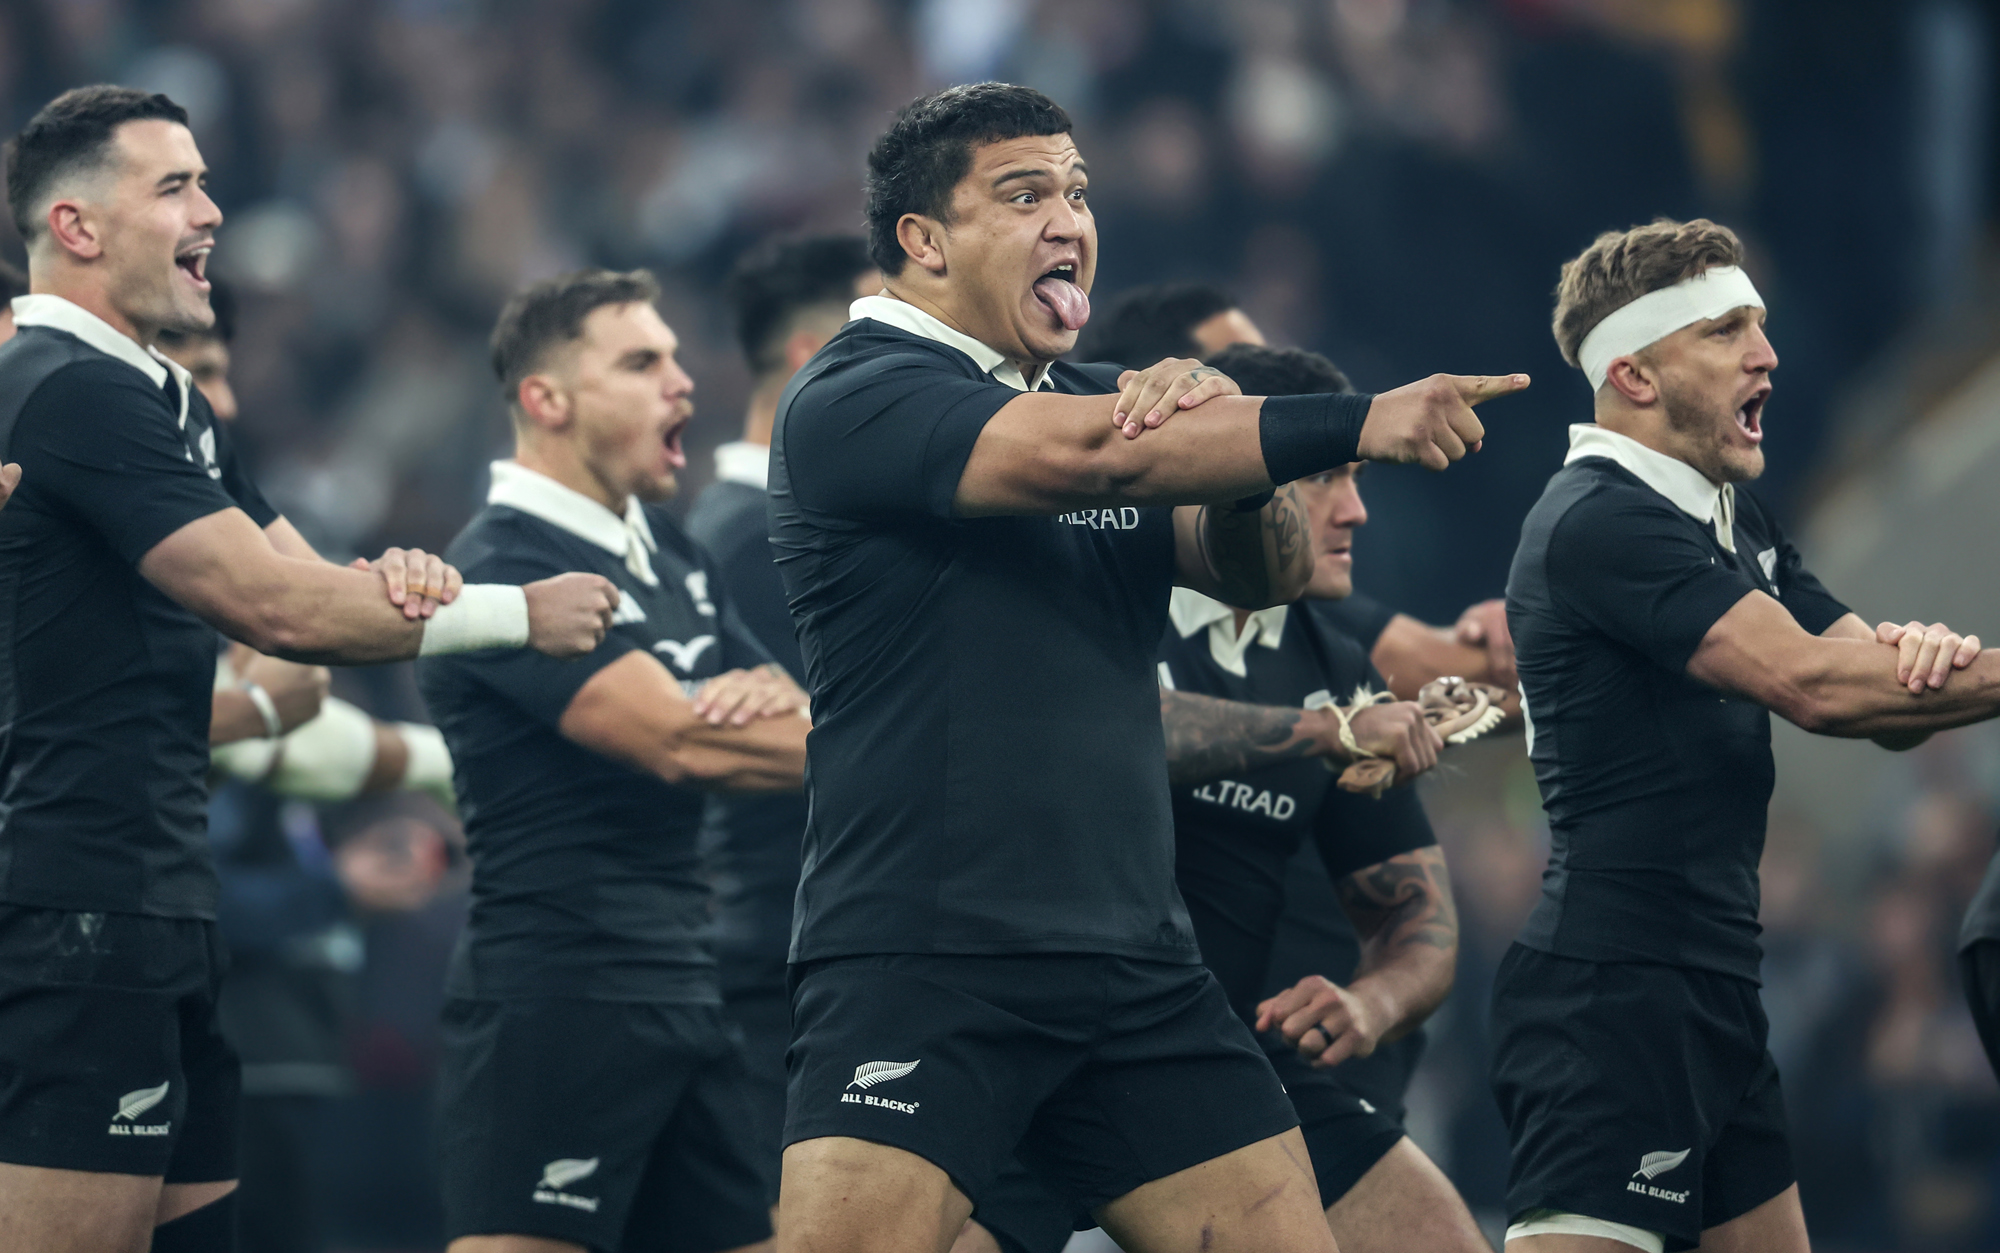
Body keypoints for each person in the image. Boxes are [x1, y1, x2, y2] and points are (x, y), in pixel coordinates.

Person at [770, 82, 1526, 1253]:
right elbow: (1090, 465)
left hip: (1135, 965)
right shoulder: (856, 395)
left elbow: (1256, 568)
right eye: (1022, 195)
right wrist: (1352, 420)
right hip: (929, 954)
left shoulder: (1092, 397)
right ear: (922, 241)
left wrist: (1224, 449)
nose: (1067, 218)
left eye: (1075, 191)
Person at [0, 85, 617, 1253]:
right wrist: (511, 613)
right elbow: (278, 606)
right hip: (76, 908)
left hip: (158, 909)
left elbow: (316, 579)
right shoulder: (69, 389)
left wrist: (407, 578)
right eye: (174, 185)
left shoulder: (165, 396)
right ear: (77, 227)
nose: (212, 210)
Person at [1495, 216, 2000, 1253]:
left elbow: (1873, 691)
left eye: (1758, 326)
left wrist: (1928, 659)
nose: (1765, 354)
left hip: (1713, 987)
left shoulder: (1731, 517)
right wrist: (1892, 672)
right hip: (1611, 1000)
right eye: (1725, 331)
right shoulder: (1598, 517)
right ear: (1633, 374)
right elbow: (1815, 685)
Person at [969, 344, 1487, 1253]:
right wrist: (1323, 732)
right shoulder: (1121, 587)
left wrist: (1371, 1003)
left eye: (1357, 478)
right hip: (1035, 1040)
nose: (1355, 509)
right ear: (1237, 462)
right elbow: (1110, 726)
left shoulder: (1333, 659)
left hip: (1225, 1057)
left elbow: (1416, 915)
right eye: (1325, 474)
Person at [419, 268, 814, 1253]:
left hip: (688, 987)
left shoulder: (671, 551)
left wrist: (769, 715)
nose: (682, 380)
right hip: (557, 1002)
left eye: (676, 357)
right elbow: (677, 739)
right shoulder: (504, 564)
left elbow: (799, 719)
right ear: (545, 400)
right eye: (641, 362)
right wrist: (726, 717)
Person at [686, 234, 879, 1206]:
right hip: (790, 970)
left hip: (802, 958)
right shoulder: (750, 541)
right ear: (814, 358)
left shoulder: (741, 528)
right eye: (883, 337)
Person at [1081, 282, 1515, 700]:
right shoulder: (1100, 590)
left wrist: (1503, 632)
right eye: (1227, 374)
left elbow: (1461, 674)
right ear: (1153, 393)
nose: (1274, 407)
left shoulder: (1326, 639)